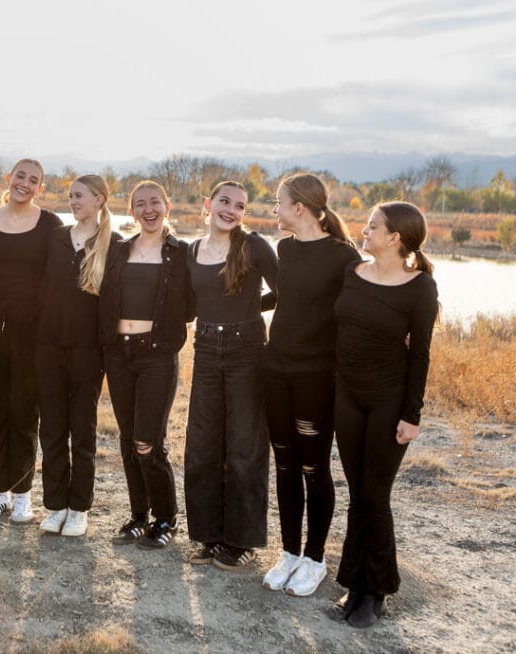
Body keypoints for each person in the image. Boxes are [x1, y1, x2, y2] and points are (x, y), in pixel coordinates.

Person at [329, 201, 438, 628]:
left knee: (375, 496)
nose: (364, 229)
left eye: (372, 225)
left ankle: (377, 590)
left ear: (395, 237)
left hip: (388, 400)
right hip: (347, 397)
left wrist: (412, 415)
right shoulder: (353, 273)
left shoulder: (419, 288)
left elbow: (421, 356)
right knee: (358, 494)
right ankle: (354, 585)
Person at [261, 173, 361, 595]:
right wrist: (230, 302)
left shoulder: (343, 256)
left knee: (313, 468)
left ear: (299, 208)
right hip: (276, 371)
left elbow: (363, 305)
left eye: (278, 202)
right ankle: (289, 552)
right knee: (283, 464)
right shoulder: (285, 248)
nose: (274, 209)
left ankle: (315, 558)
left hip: (316, 378)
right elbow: (287, 298)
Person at [184, 181, 278, 569]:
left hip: (247, 352)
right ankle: (209, 535)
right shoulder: (191, 251)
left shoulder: (254, 246)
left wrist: (251, 307)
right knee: (202, 445)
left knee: (244, 447)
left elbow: (287, 291)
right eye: (224, 201)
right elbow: (190, 304)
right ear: (208, 205)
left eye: (240, 205)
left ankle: (239, 541)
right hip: (205, 349)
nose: (231, 210)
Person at [99, 180, 193, 550]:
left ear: (167, 206)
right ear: (132, 211)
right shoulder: (118, 250)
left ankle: (167, 519)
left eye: (155, 201)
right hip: (118, 354)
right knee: (126, 440)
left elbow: (192, 304)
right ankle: (139, 517)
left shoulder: (181, 253)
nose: (148, 209)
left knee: (147, 442)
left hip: (157, 356)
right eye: (140, 203)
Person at [0, 159, 61, 523]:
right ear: (8, 179)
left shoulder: (50, 225)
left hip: (32, 329)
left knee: (25, 411)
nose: (25, 184)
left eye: (34, 180)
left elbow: (58, 276)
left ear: (40, 188)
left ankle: (23, 494)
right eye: (20, 176)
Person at [36, 174, 118, 537]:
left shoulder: (114, 244)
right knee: (51, 428)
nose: (72, 201)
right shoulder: (56, 237)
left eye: (79, 196)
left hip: (88, 350)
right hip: (48, 345)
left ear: (99, 200)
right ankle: (55, 505)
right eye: (70, 196)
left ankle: (79, 507)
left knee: (81, 431)